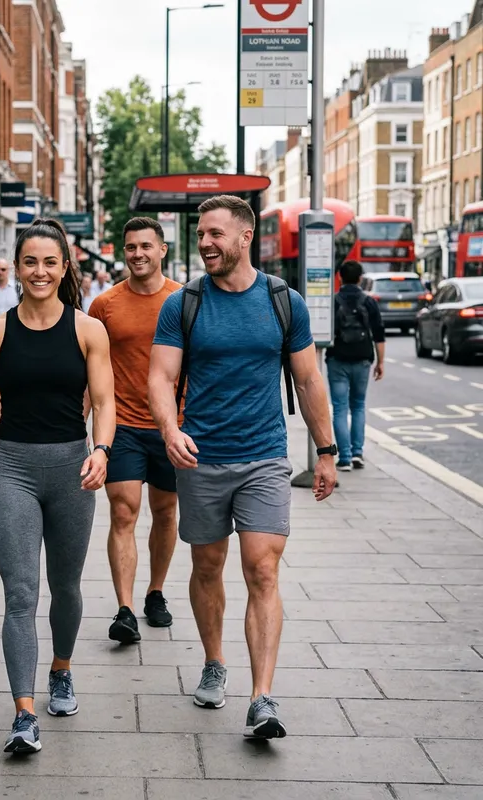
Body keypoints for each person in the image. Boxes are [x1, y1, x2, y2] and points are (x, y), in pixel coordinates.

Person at [148, 195, 337, 740]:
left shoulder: (283, 301)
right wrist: (169, 429)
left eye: (215, 234)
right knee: (207, 567)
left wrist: (325, 450)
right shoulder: (183, 303)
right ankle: (214, 660)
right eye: (201, 234)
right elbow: (160, 377)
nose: (205, 243)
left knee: (262, 568)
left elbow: (308, 379)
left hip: (264, 457)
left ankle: (262, 698)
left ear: (244, 237)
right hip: (201, 456)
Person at [0, 219, 115, 755]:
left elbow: (106, 402)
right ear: (15, 267)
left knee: (65, 586)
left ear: (65, 267)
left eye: (50, 262)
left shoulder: (88, 330)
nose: (39, 271)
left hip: (73, 469)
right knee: (20, 593)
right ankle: (24, 713)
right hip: (15, 470)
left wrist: (101, 450)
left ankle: (62, 669)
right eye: (30, 262)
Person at [88, 217, 181, 643]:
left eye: (146, 246)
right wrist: (82, 421)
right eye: (130, 247)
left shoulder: (183, 299)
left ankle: (155, 592)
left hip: (172, 428)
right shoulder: (105, 305)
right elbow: (92, 369)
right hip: (121, 424)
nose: (138, 254)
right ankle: (124, 608)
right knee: (123, 512)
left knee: (164, 513)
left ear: (162, 250)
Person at [326, 260, 385, 471]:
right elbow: (379, 334)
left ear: (340, 277)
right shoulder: (368, 302)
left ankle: (344, 458)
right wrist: (380, 362)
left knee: (340, 408)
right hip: (362, 359)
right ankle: (358, 453)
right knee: (358, 405)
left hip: (337, 359)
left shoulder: (333, 301)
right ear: (360, 278)